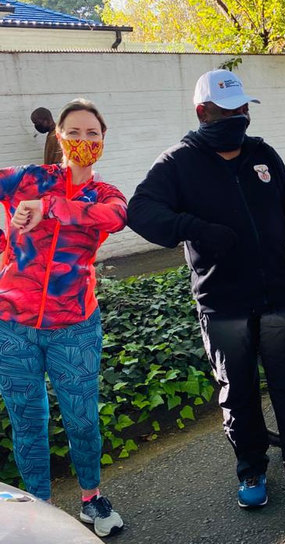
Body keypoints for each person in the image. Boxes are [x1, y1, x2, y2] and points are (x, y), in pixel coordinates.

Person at [126, 69, 285, 524]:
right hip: (222, 303)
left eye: (242, 110)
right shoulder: (178, 161)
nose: (237, 118)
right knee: (237, 392)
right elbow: (140, 211)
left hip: (277, 293)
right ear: (202, 113)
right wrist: (194, 230)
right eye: (226, 111)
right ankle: (251, 471)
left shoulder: (263, 154)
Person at [0, 98, 127, 537]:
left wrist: (50, 208)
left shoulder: (105, 194)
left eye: (92, 133)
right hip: (12, 327)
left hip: (74, 328)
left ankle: (91, 499)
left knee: (82, 419)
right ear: (59, 137)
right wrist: (4, 240)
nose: (83, 141)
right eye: (73, 132)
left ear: (103, 140)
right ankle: (40, 509)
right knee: (27, 421)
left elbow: (115, 218)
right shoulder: (28, 178)